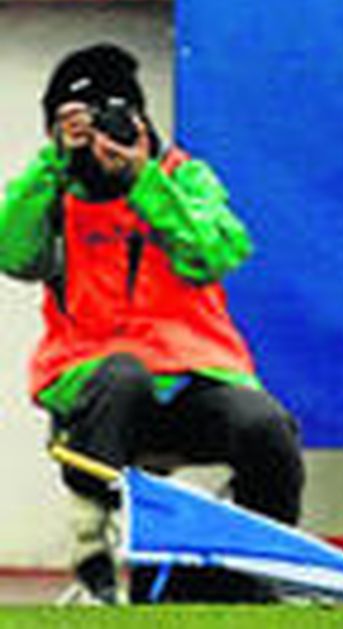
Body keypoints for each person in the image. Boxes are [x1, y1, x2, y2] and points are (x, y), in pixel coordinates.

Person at [0, 43, 303, 604]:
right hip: (98, 393)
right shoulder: (54, 190)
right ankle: (92, 553)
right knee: (122, 375)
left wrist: (144, 180)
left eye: (112, 121)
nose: (101, 140)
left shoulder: (183, 178)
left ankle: (261, 568)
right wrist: (52, 162)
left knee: (267, 426)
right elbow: (13, 254)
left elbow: (214, 252)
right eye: (81, 123)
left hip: (193, 382)